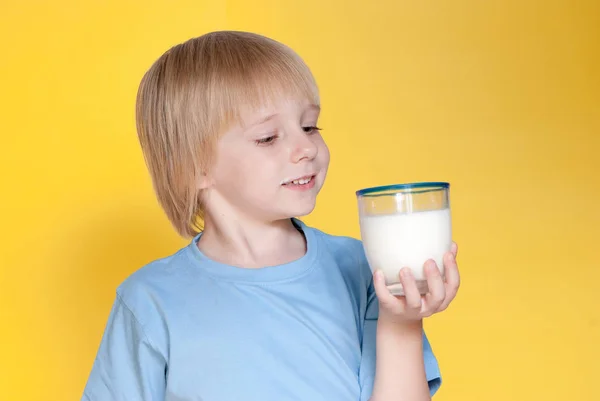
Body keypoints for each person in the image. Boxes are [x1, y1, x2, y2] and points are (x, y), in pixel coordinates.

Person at [81, 30, 460, 401]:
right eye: (268, 137)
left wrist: (403, 321)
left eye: (310, 126)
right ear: (194, 168)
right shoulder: (149, 302)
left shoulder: (364, 270)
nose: (305, 148)